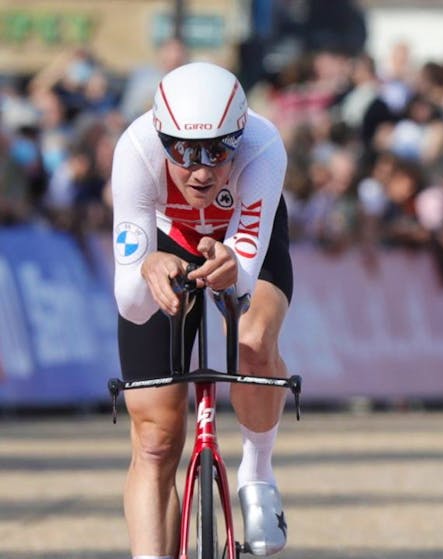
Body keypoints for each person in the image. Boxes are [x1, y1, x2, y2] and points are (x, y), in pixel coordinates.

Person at [111, 62, 293, 559]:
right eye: (185, 150)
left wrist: (232, 265)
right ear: (160, 137)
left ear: (240, 134)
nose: (201, 168)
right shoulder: (135, 149)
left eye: (217, 150)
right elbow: (128, 297)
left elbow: (248, 271)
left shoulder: (263, 144)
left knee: (253, 340)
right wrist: (147, 266)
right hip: (166, 237)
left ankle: (257, 471)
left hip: (240, 237)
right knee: (155, 439)